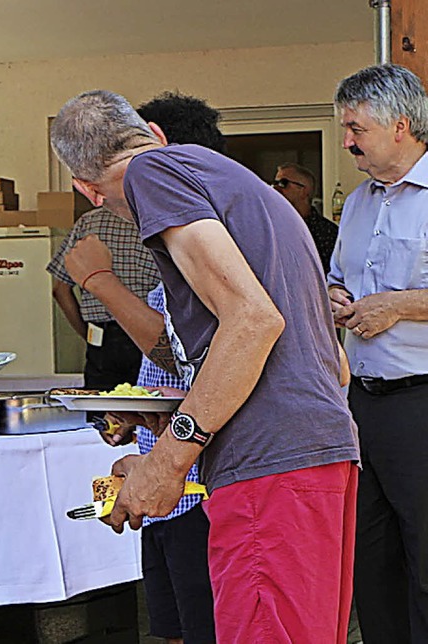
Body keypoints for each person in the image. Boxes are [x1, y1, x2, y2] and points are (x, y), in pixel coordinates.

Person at [50, 89, 359, 642]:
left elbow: (254, 321)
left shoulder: (151, 174)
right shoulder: (244, 189)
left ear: (86, 189)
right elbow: (331, 365)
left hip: (268, 469)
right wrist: (168, 423)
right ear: (151, 130)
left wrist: (166, 464)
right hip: (318, 456)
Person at [65, 91, 225, 643]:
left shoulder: (212, 251)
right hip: (161, 488)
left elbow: (183, 350)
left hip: (196, 487)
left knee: (207, 628)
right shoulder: (173, 254)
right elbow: (171, 370)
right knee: (171, 628)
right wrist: (138, 416)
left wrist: (100, 282)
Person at [329, 63, 428, 643]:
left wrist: (401, 305)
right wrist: (334, 294)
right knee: (369, 556)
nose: (347, 141)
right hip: (360, 402)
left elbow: (395, 300)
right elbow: (338, 275)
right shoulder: (362, 201)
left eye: (355, 127)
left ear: (400, 125)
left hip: (421, 401)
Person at [46, 204, 159, 391]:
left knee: (101, 411)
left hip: (101, 336)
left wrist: (86, 333)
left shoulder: (88, 222)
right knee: (151, 407)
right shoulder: (157, 221)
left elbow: (60, 290)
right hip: (152, 332)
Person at [272, 162, 338, 274]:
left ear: (304, 191)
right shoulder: (271, 227)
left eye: (283, 183)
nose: (275, 188)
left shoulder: (326, 232)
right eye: (275, 183)